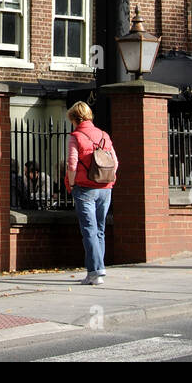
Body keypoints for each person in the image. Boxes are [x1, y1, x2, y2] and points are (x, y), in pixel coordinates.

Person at [64, 101, 117, 285]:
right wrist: (110, 180)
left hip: (84, 188)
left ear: (74, 118)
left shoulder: (75, 137)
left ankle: (94, 272)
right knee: (99, 230)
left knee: (89, 230)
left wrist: (71, 184)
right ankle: (98, 270)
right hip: (105, 187)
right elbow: (115, 162)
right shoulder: (104, 135)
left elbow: (72, 164)